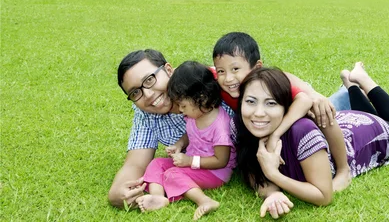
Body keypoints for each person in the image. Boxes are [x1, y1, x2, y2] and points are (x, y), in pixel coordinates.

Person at [108, 47, 352, 209]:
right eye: (136, 92)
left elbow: (266, 76)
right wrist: (117, 193)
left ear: (168, 70)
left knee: (325, 109)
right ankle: (352, 88)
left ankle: (344, 166)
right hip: (250, 143)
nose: (148, 94)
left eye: (150, 80)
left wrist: (311, 93)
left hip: (273, 114)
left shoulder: (203, 81)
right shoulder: (145, 114)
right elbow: (134, 164)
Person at [234, 63, 389, 218]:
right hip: (339, 123)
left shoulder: (301, 131)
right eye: (250, 101)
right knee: (366, 113)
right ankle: (351, 86)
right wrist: (273, 194)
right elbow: (253, 174)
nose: (258, 113)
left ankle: (364, 80)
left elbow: (323, 195)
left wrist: (274, 174)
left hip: (364, 133)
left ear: (286, 107)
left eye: (271, 103)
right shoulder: (245, 129)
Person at [212, 32, 352, 191]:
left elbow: (305, 100)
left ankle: (343, 169)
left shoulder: (269, 84)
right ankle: (347, 91)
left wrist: (275, 134)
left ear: (257, 67)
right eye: (221, 72)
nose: (228, 78)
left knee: (321, 108)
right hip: (266, 119)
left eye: (235, 69)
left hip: (296, 107)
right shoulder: (222, 82)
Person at [135, 61, 236, 219]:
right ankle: (158, 197)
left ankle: (204, 201)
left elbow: (221, 160)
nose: (180, 110)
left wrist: (189, 161)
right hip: (195, 161)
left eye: (182, 105)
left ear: (201, 98)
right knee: (157, 163)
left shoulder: (220, 125)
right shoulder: (194, 114)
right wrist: (179, 145)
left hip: (215, 172)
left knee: (173, 174)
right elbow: (191, 134)